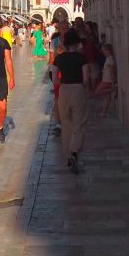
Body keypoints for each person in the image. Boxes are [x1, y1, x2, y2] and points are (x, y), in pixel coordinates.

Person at [52, 30, 90, 173]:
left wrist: (63, 83)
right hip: (77, 89)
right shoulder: (82, 58)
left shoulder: (59, 59)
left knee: (65, 123)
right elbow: (86, 79)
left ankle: (67, 156)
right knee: (78, 122)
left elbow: (55, 79)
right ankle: (74, 152)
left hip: (64, 90)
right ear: (77, 43)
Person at [94, 43, 117, 117]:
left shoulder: (110, 59)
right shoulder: (108, 58)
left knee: (97, 91)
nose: (103, 52)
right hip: (106, 79)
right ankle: (104, 112)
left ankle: (113, 89)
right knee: (107, 98)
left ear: (108, 50)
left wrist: (113, 83)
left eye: (104, 50)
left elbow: (112, 72)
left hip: (108, 80)